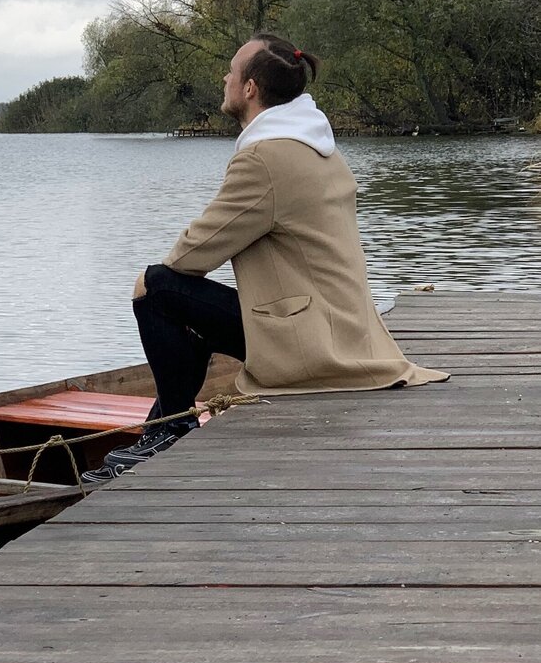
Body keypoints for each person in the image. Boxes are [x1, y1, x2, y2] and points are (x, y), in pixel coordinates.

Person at [81, 33, 449, 486]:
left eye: (231, 72)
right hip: (346, 330)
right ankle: (164, 427)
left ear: (250, 88)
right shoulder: (317, 145)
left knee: (155, 288)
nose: (224, 79)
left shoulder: (265, 158)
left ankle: (169, 431)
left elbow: (191, 257)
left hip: (311, 343)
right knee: (188, 310)